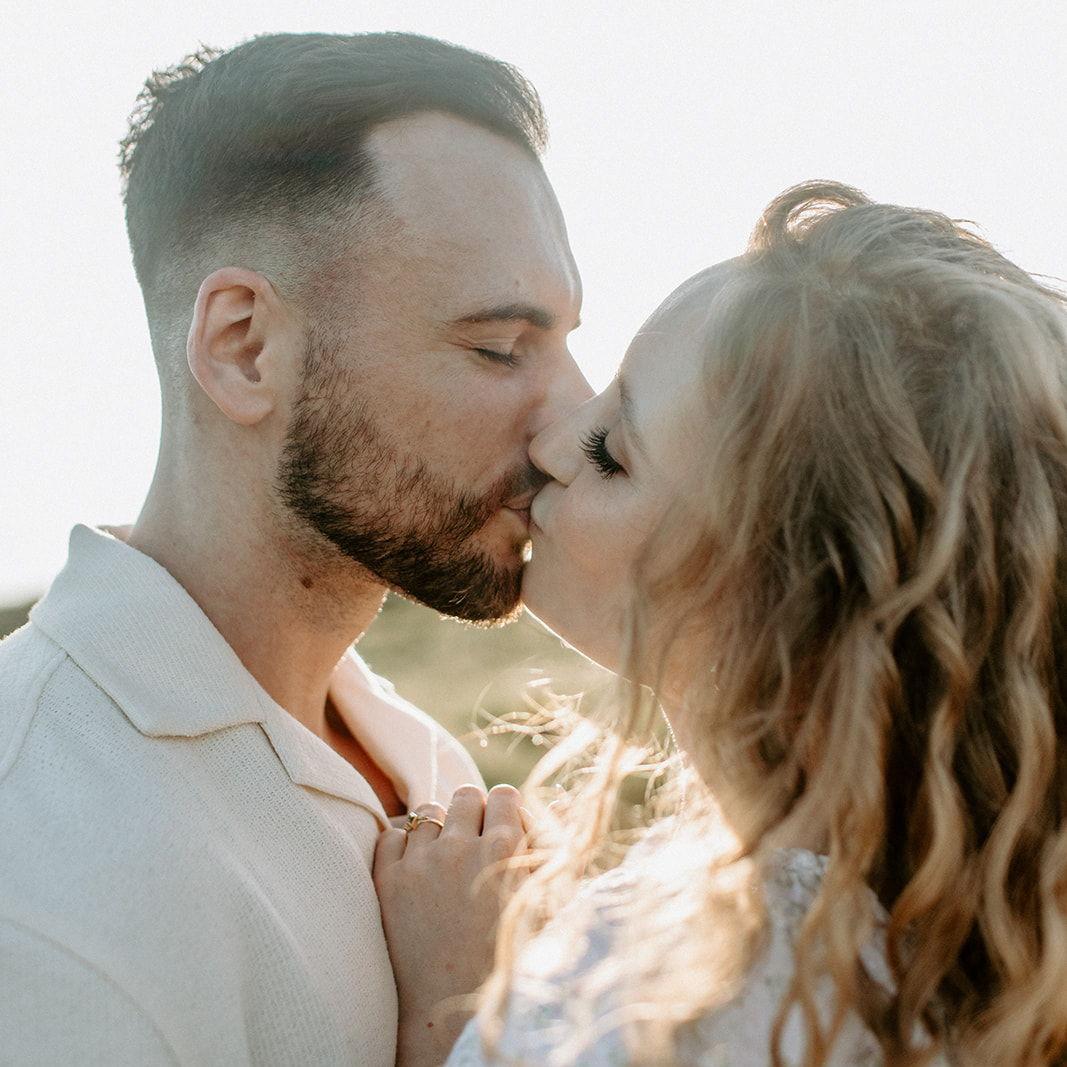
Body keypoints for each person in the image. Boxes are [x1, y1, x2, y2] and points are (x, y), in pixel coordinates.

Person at [376, 182, 1067, 1066]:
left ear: (785, 608)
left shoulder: (698, 995)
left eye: (609, 454)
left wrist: (454, 1007)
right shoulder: (983, 941)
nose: (550, 445)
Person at [0, 31, 586, 1064]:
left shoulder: (420, 760)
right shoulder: (38, 855)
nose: (571, 425)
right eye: (499, 347)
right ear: (244, 347)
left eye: (563, 343)